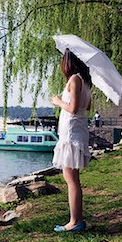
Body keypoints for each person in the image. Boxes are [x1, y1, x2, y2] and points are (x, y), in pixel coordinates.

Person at [51, 48, 92, 232]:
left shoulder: (75, 79)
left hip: (71, 133)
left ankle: (75, 221)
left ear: (69, 61)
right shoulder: (86, 82)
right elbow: (87, 106)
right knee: (73, 178)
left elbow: (74, 108)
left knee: (71, 179)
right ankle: (77, 219)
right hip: (78, 131)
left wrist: (58, 101)